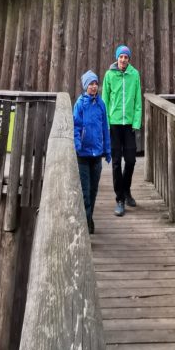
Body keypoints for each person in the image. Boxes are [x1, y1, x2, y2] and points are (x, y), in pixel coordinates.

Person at [102, 44, 142, 216]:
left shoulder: (134, 75)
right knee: (117, 162)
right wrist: (106, 124)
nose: (123, 60)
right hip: (114, 125)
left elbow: (138, 100)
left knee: (131, 160)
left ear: (129, 59)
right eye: (121, 57)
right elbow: (104, 101)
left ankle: (126, 190)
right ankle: (120, 199)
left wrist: (136, 123)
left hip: (129, 125)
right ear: (117, 58)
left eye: (126, 57)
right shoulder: (109, 75)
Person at [73, 70, 111, 234]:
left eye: (96, 83)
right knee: (85, 192)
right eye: (91, 84)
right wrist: (77, 144)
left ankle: (88, 218)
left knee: (93, 190)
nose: (94, 87)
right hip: (83, 155)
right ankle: (86, 223)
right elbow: (75, 126)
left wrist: (107, 150)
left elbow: (105, 128)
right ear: (85, 86)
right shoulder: (80, 104)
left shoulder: (101, 104)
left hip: (97, 154)